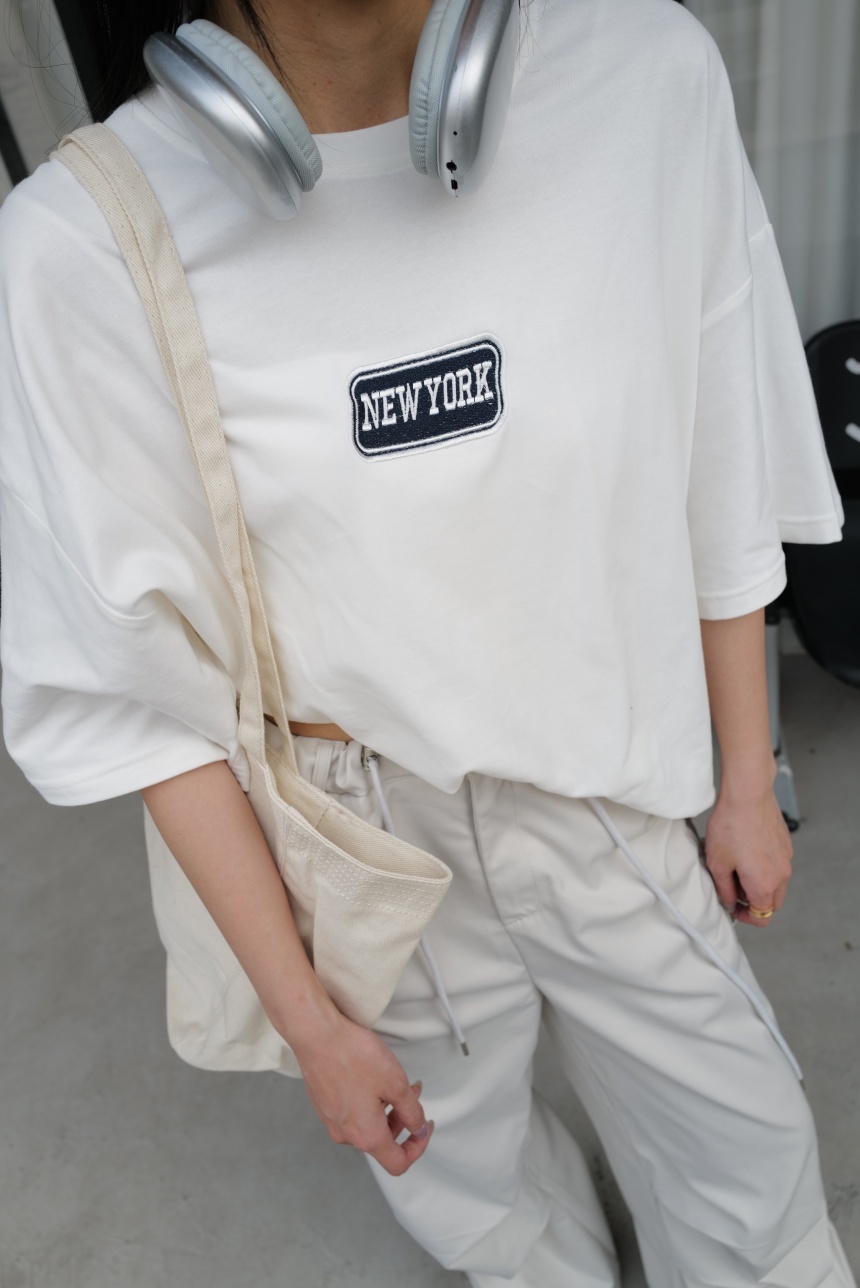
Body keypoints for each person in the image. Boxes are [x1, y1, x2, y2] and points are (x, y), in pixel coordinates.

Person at [0, 0, 855, 1284]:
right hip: (356, 846)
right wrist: (309, 1023)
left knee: (751, 1174)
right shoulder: (84, 237)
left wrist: (748, 774)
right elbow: (136, 700)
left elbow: (720, 450)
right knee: (476, 1197)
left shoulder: (641, 79)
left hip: (607, 784)